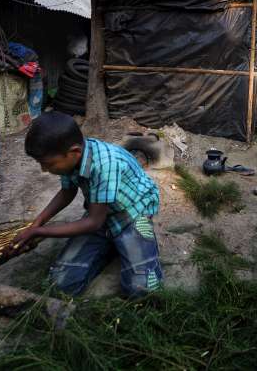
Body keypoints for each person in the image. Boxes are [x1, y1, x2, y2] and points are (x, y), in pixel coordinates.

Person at [11, 111, 163, 297]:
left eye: (49, 164)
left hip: (132, 213)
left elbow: (93, 223)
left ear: (74, 152)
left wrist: (40, 232)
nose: (44, 169)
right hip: (100, 212)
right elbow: (67, 192)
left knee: (141, 290)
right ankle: (113, 245)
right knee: (60, 283)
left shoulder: (105, 165)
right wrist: (38, 222)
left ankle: (126, 241)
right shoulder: (70, 159)